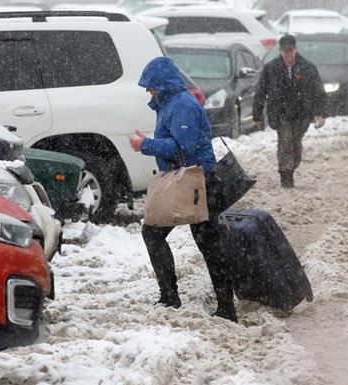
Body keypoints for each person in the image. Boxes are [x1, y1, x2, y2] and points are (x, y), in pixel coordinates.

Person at [129, 56, 237, 323]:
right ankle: (173, 297)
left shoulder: (183, 106)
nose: (147, 91)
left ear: (163, 84)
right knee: (170, 236)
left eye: (150, 85)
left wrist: (145, 145)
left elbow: (181, 149)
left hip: (199, 182)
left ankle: (221, 306)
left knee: (205, 243)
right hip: (187, 180)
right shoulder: (170, 104)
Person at [253, 34, 327, 188]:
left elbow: (318, 91)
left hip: (302, 113)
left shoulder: (307, 68)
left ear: (295, 50)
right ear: (280, 51)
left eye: (290, 51)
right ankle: (285, 175)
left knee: (295, 142)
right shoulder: (271, 68)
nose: (288, 54)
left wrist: (321, 113)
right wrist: (257, 115)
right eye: (285, 51)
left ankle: (292, 165)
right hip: (280, 113)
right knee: (285, 141)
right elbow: (260, 92)